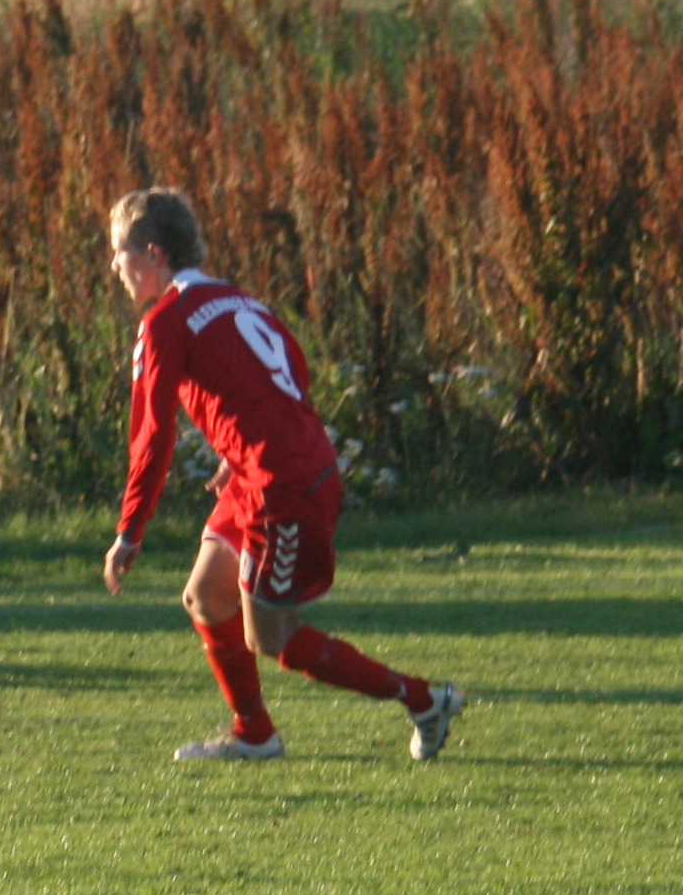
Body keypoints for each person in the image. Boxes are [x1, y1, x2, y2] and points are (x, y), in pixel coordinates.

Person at [100, 187, 462, 762]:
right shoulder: (235, 299)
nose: (114, 265)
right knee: (204, 596)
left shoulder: (164, 321)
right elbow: (292, 369)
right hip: (264, 470)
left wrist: (130, 529)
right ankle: (255, 734)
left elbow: (152, 434)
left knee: (272, 635)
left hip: (281, 485)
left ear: (152, 254)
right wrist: (236, 448)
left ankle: (424, 699)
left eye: (119, 251)